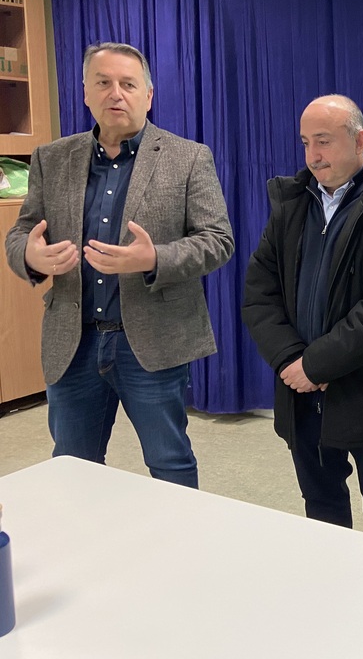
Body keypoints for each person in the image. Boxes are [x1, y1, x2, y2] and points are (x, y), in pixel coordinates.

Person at [4, 42, 234, 488]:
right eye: (103, 83)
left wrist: (155, 258)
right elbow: (21, 233)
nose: (116, 93)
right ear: (85, 93)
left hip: (151, 339)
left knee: (169, 464)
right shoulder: (52, 158)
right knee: (72, 466)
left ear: (148, 95)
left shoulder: (188, 157)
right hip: (74, 342)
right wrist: (30, 256)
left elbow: (218, 240)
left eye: (128, 84)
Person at [241, 94, 363, 538]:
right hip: (302, 392)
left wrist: (316, 365)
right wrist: (291, 360)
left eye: (323, 141)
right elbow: (259, 293)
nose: (313, 155)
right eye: (306, 142)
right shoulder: (292, 204)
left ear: (359, 140)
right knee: (322, 509)